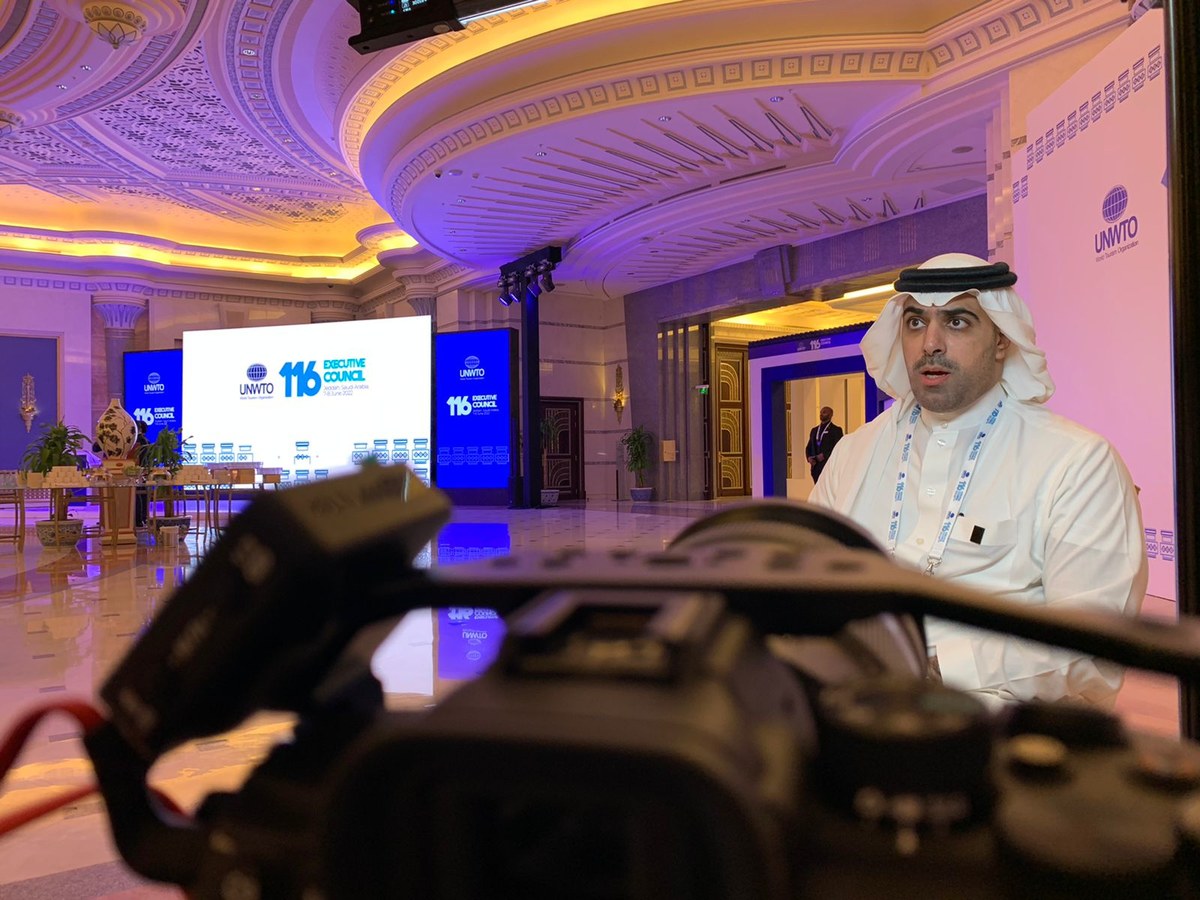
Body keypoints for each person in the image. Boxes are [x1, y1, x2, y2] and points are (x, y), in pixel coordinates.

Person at [810, 252, 1147, 708]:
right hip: (849, 709)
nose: (930, 343)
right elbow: (807, 583)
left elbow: (1093, 642)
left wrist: (930, 668)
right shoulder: (854, 453)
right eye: (915, 322)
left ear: (1002, 340)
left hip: (1000, 726)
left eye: (957, 322)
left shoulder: (1076, 462)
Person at [804, 406, 843, 483]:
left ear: (831, 415)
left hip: (828, 465)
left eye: (824, 412)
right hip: (815, 466)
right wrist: (809, 458)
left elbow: (838, 447)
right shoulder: (814, 430)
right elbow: (809, 446)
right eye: (820, 412)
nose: (821, 414)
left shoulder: (836, 430)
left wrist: (824, 455)